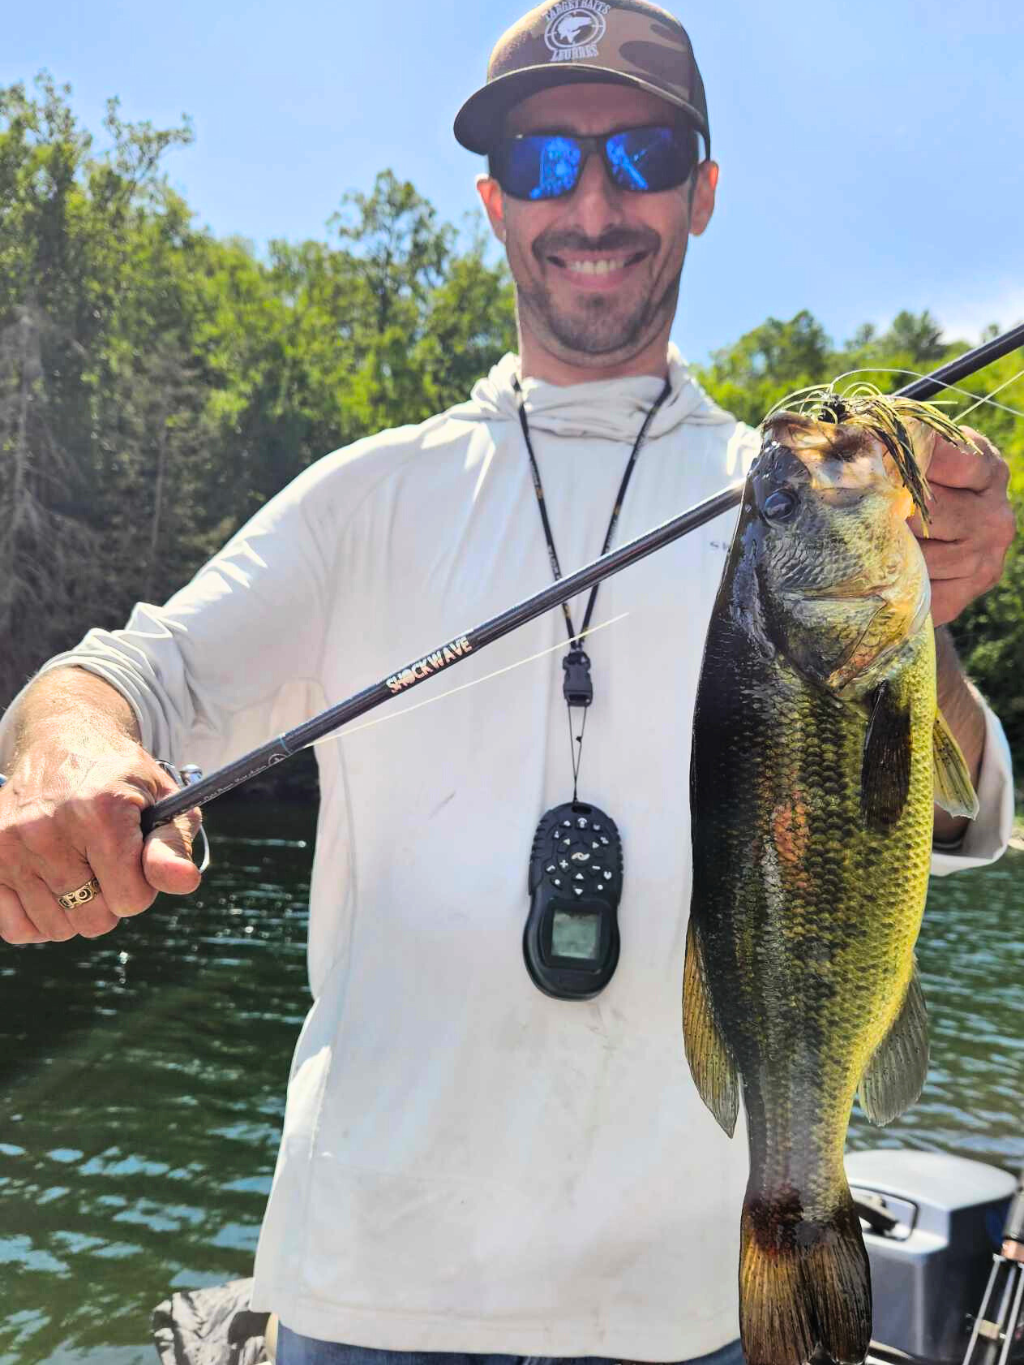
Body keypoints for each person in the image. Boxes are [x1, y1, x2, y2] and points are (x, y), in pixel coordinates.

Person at [0, 3, 1016, 1364]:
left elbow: (950, 829)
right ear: (492, 202)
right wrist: (65, 752)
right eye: (544, 161)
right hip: (369, 1296)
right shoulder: (366, 497)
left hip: (697, 1309)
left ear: (702, 194)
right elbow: (120, 676)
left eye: (642, 153)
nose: (591, 201)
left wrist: (927, 621)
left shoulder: (781, 497)